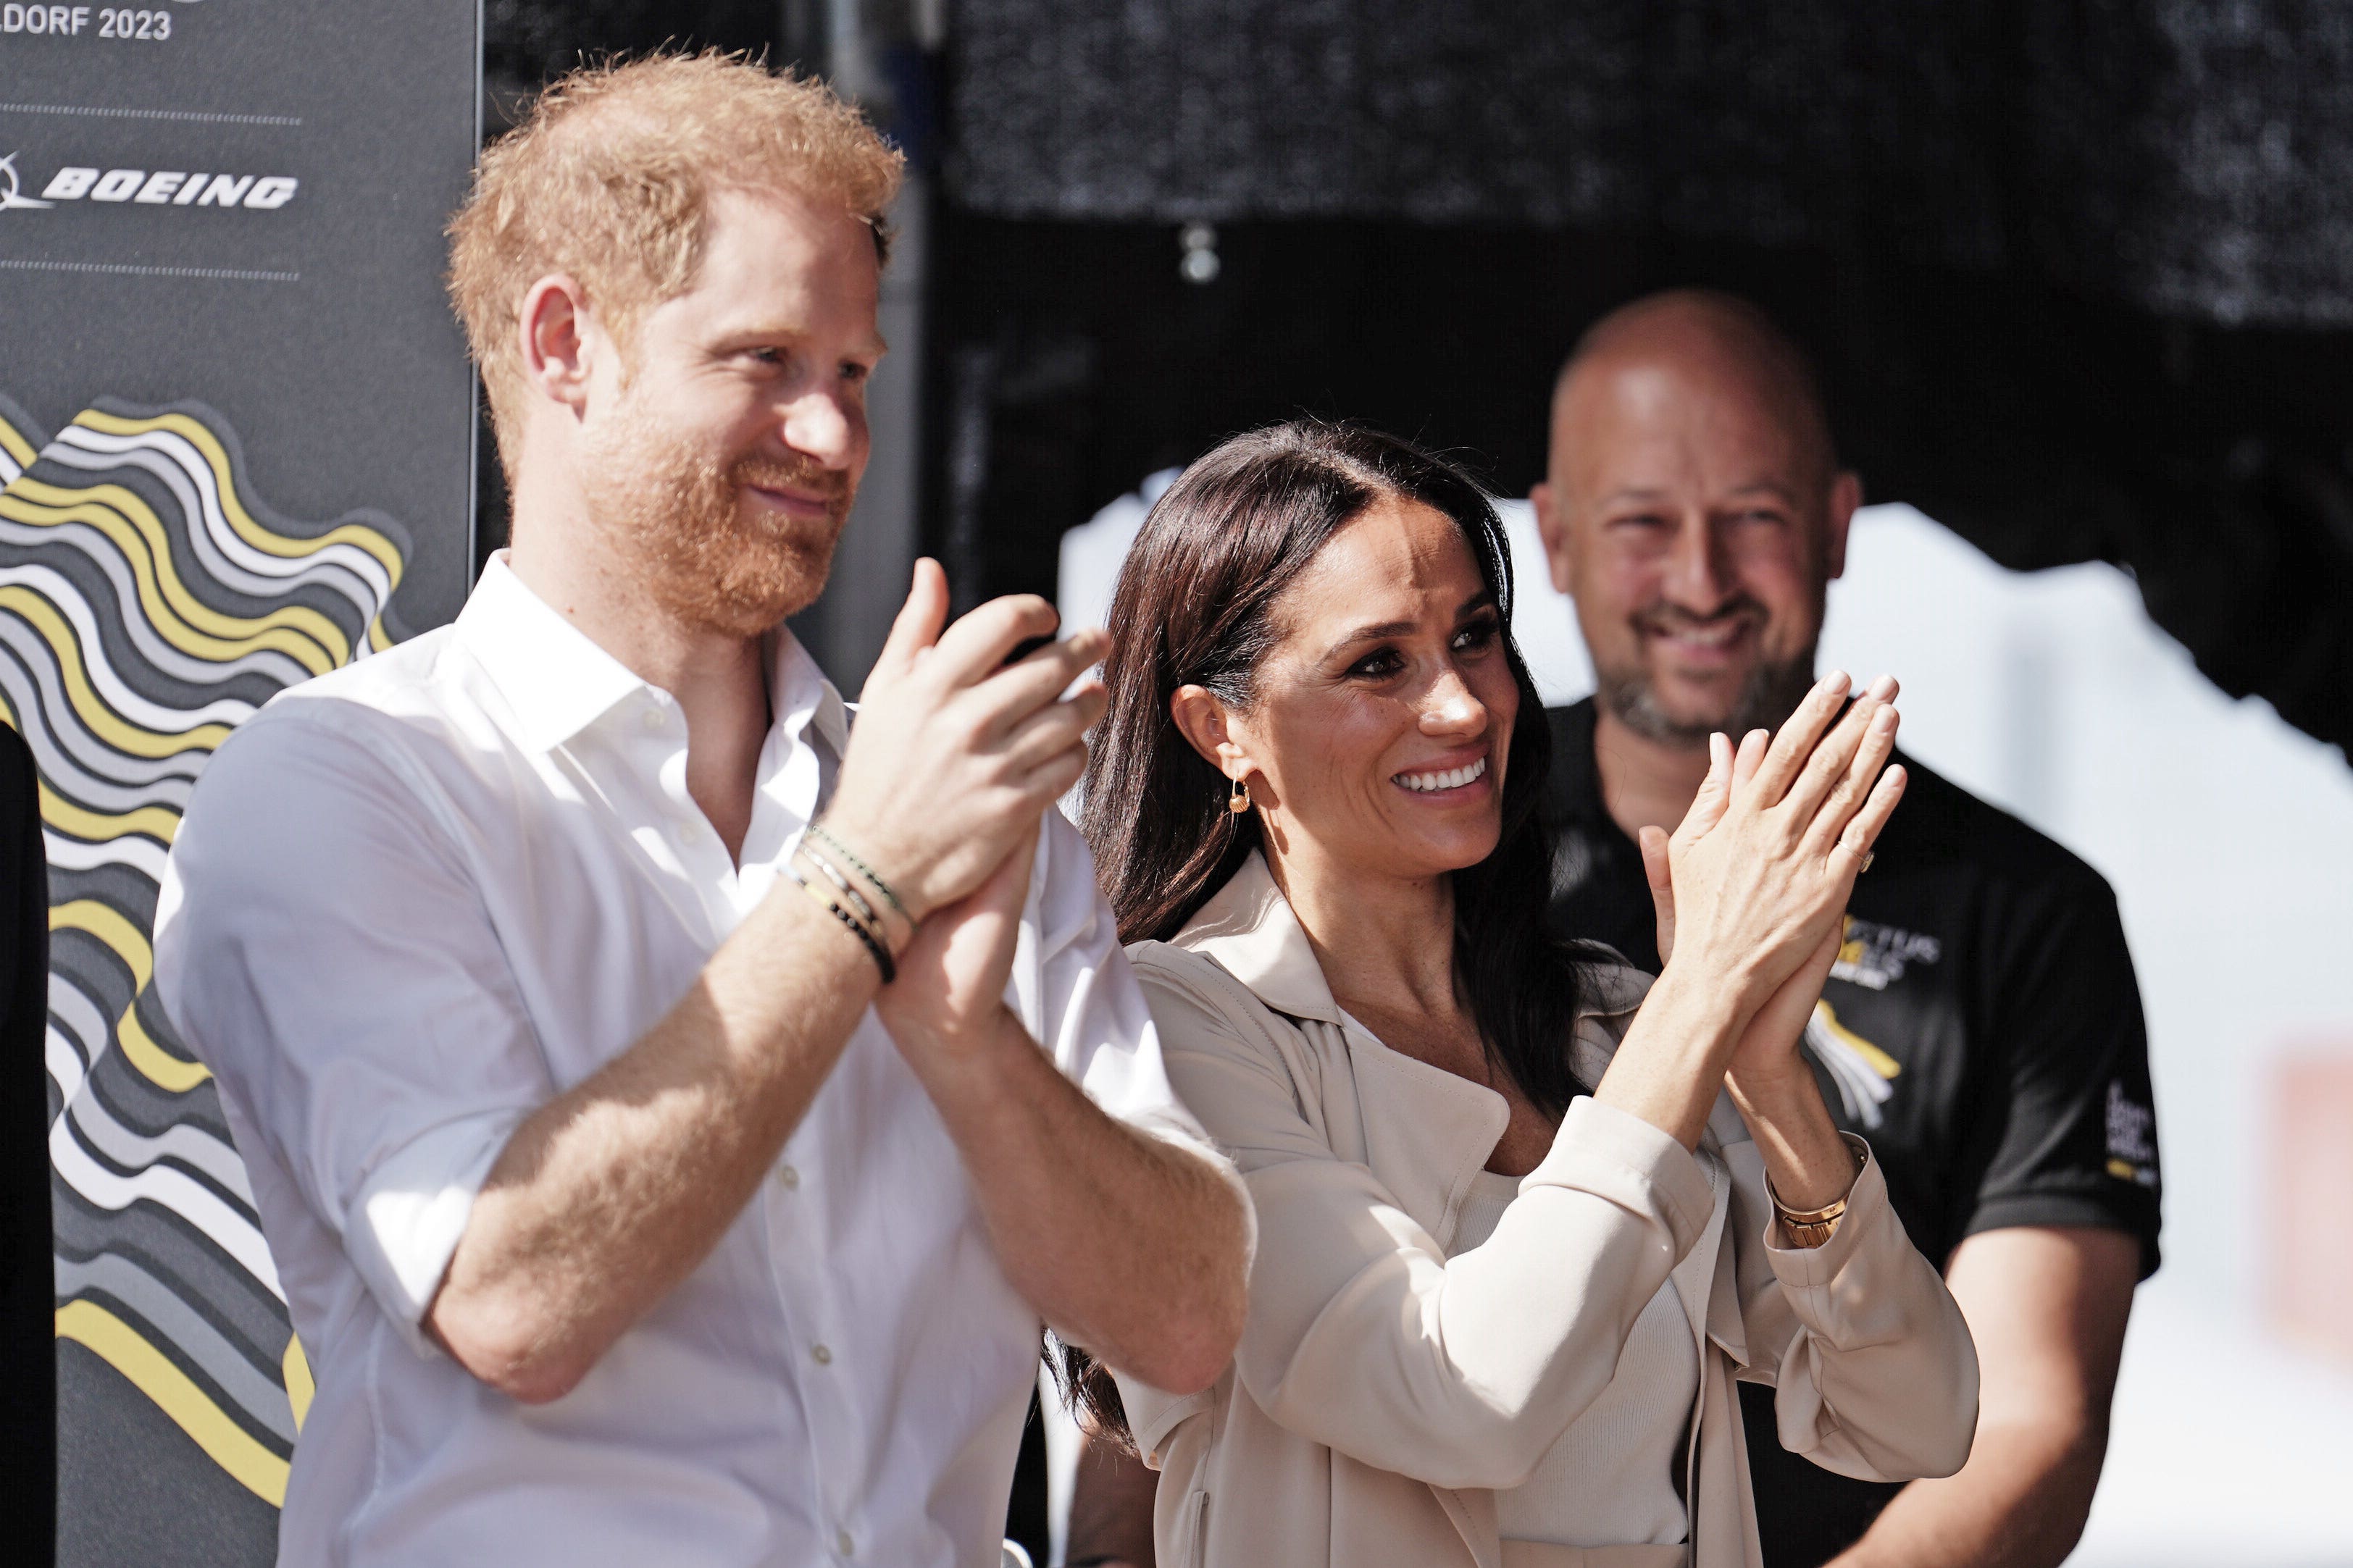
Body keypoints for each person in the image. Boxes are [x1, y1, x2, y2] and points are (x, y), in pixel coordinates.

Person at [150, 54, 1248, 1567]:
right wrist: (857, 892)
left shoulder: (945, 807)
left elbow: (1185, 1324)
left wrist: (966, 1041)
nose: (834, 433)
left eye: (854, 371)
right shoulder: (343, 783)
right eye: (763, 360)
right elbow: (511, 1297)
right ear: (563, 344)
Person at [1070, 419, 1978, 1568]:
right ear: (1223, 728)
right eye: (1377, 662)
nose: (1462, 706)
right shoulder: (1176, 1028)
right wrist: (1702, 992)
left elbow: (1917, 1418)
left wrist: (1767, 1072)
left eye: (1476, 636)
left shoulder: (1611, 1021)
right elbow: (1461, 1395)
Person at [1527, 290, 2160, 1568]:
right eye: (1646, 522)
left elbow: (2030, 1417)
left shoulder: (2029, 916)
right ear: (1554, 540)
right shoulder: (1436, 849)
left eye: (1753, 519)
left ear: (1833, 526)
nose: (1700, 581)